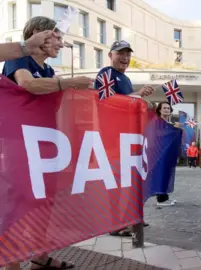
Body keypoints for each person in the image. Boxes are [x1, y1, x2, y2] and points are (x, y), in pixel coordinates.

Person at [1, 16, 97, 270]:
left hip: (44, 141)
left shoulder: (49, 71)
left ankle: (39, 257)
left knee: (44, 200)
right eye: (55, 35)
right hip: (19, 141)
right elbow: (28, 84)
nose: (60, 42)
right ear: (36, 33)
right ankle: (10, 262)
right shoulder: (18, 58)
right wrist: (67, 83)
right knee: (18, 200)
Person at [94, 40, 155, 235]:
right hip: (112, 136)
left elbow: (129, 105)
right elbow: (105, 101)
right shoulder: (106, 73)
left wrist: (143, 101)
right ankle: (114, 224)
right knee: (115, 182)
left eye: (128, 54)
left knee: (127, 180)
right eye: (120, 53)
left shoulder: (125, 79)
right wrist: (137, 96)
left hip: (126, 137)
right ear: (110, 55)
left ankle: (130, 217)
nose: (125, 58)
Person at [155, 101, 180, 207]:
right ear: (160, 110)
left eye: (168, 108)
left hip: (168, 154)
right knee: (161, 175)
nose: (166, 110)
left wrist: (176, 130)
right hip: (158, 153)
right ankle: (160, 199)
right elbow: (158, 136)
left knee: (167, 175)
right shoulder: (157, 122)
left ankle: (164, 197)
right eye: (164, 108)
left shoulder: (169, 124)